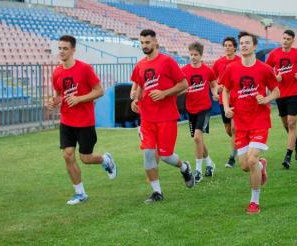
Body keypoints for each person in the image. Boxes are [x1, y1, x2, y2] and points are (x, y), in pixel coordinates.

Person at [47, 35, 117, 205]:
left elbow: (99, 91)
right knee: (67, 155)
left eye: (65, 48)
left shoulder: (85, 69)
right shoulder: (57, 72)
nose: (62, 52)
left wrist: (79, 99)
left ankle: (106, 160)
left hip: (85, 121)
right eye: (60, 48)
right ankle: (80, 194)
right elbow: (59, 95)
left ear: (73, 50)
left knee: (86, 158)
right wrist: (53, 101)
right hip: (66, 121)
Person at [131, 29, 195, 204]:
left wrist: (165, 93)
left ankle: (184, 167)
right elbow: (140, 86)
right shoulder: (140, 65)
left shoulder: (167, 62)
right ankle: (157, 192)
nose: (145, 46)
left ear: (155, 43)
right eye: (142, 43)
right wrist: (136, 100)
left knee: (166, 156)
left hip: (166, 117)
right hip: (147, 119)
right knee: (149, 154)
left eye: (147, 42)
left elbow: (184, 84)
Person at [221, 31, 279, 214]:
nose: (244, 45)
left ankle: (254, 202)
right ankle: (261, 165)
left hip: (260, 120)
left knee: (251, 159)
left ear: (254, 46)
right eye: (242, 43)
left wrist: (267, 98)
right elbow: (225, 90)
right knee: (246, 166)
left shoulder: (264, 69)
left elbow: (276, 91)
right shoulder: (231, 69)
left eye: (248, 42)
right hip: (241, 122)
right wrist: (226, 108)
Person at [266, 29, 297, 169]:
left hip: (294, 93)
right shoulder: (274, 53)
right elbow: (267, 68)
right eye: (283, 38)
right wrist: (274, 77)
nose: (285, 41)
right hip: (280, 94)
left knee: (291, 123)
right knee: (285, 124)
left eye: (288, 39)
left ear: (292, 41)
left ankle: (288, 156)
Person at [180, 42, 218, 183]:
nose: (193, 57)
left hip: (204, 108)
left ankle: (198, 171)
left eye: (196, 55)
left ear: (201, 55)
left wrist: (215, 93)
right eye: (191, 55)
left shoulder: (207, 70)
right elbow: (180, 86)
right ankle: (210, 164)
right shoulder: (184, 70)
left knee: (197, 138)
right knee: (199, 140)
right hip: (191, 109)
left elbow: (214, 84)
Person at [212, 37, 241, 168]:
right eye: (226, 45)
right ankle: (241, 144)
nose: (228, 47)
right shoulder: (218, 63)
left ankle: (232, 158)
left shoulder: (240, 61)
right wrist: (215, 92)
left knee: (235, 129)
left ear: (235, 47)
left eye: (230, 45)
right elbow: (212, 80)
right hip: (224, 101)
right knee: (229, 130)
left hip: (237, 99)